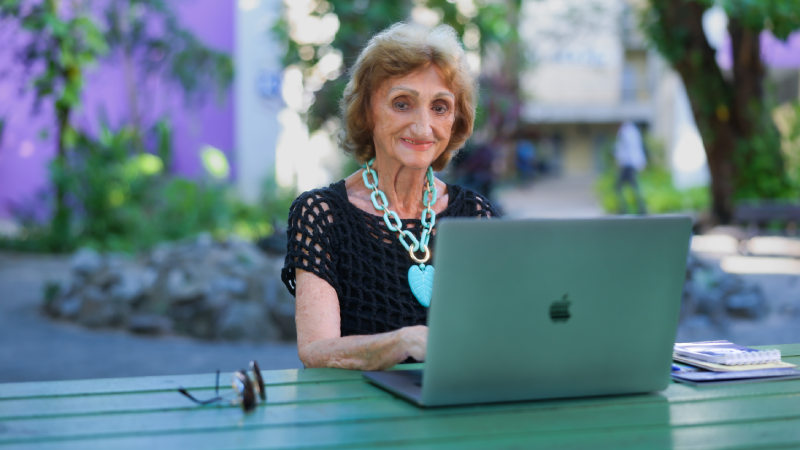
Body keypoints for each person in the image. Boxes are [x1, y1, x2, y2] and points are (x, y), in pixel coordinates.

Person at [281, 23, 498, 371]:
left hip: (452, 409)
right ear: (368, 110)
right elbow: (316, 350)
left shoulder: (475, 215)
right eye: (402, 103)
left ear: (456, 120)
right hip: (359, 416)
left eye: (440, 107)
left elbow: (496, 334)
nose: (423, 127)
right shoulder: (322, 214)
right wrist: (399, 343)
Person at [614, 121, 647, 214]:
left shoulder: (627, 132)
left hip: (629, 165)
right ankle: (635, 209)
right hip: (628, 165)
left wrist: (639, 164)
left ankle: (639, 209)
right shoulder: (628, 131)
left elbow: (632, 149)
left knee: (629, 188)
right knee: (623, 188)